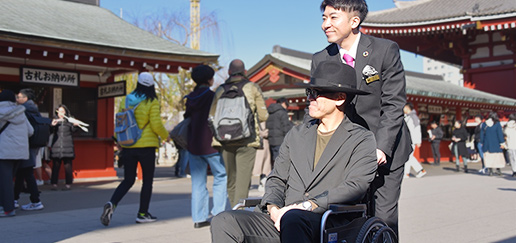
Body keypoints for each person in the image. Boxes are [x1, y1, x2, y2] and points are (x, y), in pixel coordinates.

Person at [211, 61, 377, 242]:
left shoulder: (361, 138)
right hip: (283, 217)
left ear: (340, 98)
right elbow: (277, 178)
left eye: (316, 93)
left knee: (294, 219)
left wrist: (308, 205)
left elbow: (356, 186)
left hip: (327, 219)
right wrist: (273, 209)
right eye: (309, 92)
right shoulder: (297, 134)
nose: (309, 98)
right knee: (225, 220)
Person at [311, 0, 412, 234]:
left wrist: (380, 147)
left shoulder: (385, 50)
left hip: (386, 147)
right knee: (348, 218)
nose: (326, 24)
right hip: (345, 151)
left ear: (354, 21)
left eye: (333, 17)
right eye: (324, 18)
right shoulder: (320, 59)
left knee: (384, 218)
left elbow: (394, 103)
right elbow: (321, 107)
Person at [100, 72, 169, 226]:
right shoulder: (152, 101)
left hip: (128, 144)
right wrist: (166, 137)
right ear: (151, 86)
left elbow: (120, 121)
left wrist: (118, 140)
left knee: (128, 180)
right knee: (147, 181)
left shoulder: (126, 99)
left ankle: (112, 203)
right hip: (147, 147)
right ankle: (142, 214)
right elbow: (156, 124)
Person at [209, 59, 269, 208]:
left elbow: (211, 115)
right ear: (245, 72)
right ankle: (239, 214)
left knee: (231, 180)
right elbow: (263, 116)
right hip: (247, 140)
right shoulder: (252, 87)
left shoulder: (220, 89)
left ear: (229, 72)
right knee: (243, 181)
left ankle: (233, 210)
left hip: (224, 139)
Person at [184, 65, 227, 229]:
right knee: (220, 177)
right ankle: (218, 214)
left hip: (193, 145)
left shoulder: (190, 98)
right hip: (211, 145)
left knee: (198, 182)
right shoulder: (212, 96)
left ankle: (199, 218)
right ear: (209, 80)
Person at [0, 89, 33, 217]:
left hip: (4, 151)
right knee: (8, 180)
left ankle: (8, 209)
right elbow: (30, 131)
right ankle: (6, 204)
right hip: (19, 151)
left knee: (4, 181)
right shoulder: (20, 112)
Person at [14, 89, 44, 210]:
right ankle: (14, 199)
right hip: (32, 145)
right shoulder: (35, 110)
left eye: (19, 97)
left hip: (25, 145)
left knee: (26, 172)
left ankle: (36, 201)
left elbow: (28, 130)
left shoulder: (23, 111)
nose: (17, 98)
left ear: (25, 99)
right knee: (22, 173)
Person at [50, 104, 79, 190]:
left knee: (68, 167)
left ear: (66, 112)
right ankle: (54, 184)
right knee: (55, 166)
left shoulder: (69, 121)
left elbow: (74, 131)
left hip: (68, 146)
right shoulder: (55, 121)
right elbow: (50, 132)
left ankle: (68, 184)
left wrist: (75, 125)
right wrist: (52, 126)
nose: (61, 113)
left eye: (63, 111)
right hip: (56, 146)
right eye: (59, 111)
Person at [266, 97, 293, 162]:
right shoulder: (282, 112)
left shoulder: (269, 112)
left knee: (273, 160)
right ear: (284, 103)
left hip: (270, 140)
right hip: (280, 140)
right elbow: (286, 128)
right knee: (281, 160)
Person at [403, 103, 426, 178]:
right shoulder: (407, 117)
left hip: (412, 140)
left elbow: (417, 129)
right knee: (409, 156)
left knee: (408, 156)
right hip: (408, 139)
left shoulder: (414, 117)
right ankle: (420, 170)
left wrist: (418, 141)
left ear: (407, 107)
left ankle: (407, 173)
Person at [480, 112, 505, 176]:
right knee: (497, 156)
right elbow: (500, 134)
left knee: (488, 157)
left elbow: (482, 135)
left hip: (487, 143)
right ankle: (498, 170)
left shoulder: (484, 124)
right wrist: (502, 142)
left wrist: (482, 142)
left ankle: (490, 170)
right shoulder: (497, 124)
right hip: (496, 143)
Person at [253, 121, 271, 192]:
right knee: (264, 166)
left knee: (262, 166)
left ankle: (262, 182)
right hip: (262, 144)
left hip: (258, 145)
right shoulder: (263, 119)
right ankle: (263, 183)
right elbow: (264, 133)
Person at [504, 113, 516, 177]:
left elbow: (505, 135)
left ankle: (514, 171)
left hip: (510, 144)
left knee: (512, 158)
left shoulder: (506, 126)